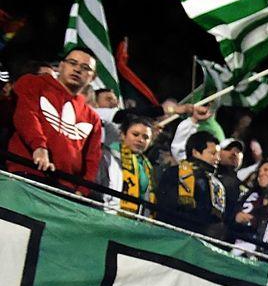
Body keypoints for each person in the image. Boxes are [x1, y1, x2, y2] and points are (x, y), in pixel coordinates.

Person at [5, 46, 102, 192]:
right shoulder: (34, 83)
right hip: (27, 173)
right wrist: (39, 147)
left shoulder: (93, 118)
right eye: (72, 63)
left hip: (65, 189)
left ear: (93, 77)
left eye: (85, 67)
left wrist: (83, 190)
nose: (77, 69)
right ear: (61, 66)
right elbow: (26, 115)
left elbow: (92, 159)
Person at [156, 132, 226, 239]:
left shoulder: (216, 184)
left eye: (218, 155)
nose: (217, 158)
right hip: (170, 236)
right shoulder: (175, 173)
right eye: (212, 153)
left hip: (199, 241)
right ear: (196, 152)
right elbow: (166, 206)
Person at [100, 113, 157, 216]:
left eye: (146, 137)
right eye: (135, 134)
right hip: (107, 215)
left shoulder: (147, 166)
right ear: (122, 135)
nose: (140, 140)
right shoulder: (108, 156)